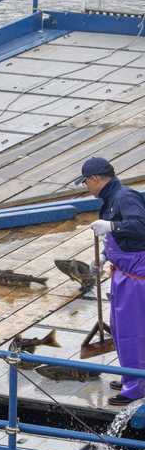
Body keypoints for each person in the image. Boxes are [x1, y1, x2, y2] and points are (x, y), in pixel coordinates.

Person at [77, 157, 145, 406]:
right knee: (120, 329)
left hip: (136, 275)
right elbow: (126, 238)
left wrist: (111, 226)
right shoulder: (110, 198)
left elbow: (141, 226)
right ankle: (131, 376)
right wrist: (105, 256)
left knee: (134, 331)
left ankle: (137, 386)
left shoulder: (125, 196)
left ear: (94, 178)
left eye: (85, 182)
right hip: (122, 271)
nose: (86, 186)